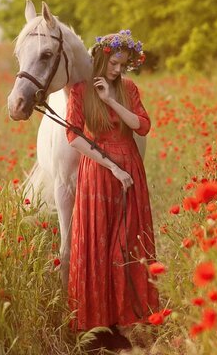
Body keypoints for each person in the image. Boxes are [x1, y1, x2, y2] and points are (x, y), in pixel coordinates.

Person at [65, 30, 159, 351]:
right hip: (100, 171)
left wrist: (110, 101)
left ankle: (124, 321)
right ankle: (96, 326)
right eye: (114, 63)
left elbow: (142, 126)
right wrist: (112, 167)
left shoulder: (128, 89)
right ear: (102, 58)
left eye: (123, 64)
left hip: (130, 168)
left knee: (127, 240)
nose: (118, 70)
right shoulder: (79, 91)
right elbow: (74, 137)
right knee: (97, 242)